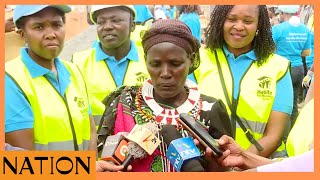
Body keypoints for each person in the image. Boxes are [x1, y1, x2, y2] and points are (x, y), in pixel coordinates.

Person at [97, 19, 234, 172]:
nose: (165, 74)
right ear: (146, 61)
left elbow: (225, 167)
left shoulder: (211, 109)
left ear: (192, 59)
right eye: (155, 64)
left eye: (175, 64)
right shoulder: (123, 102)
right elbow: (100, 161)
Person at [195, 5, 293, 158]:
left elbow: (274, 135)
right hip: (208, 162)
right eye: (231, 19)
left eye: (247, 21)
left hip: (257, 164)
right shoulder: (198, 60)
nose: (239, 26)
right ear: (220, 21)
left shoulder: (279, 67)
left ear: (258, 25)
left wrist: (240, 164)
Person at [5, 5, 96, 151]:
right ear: (22, 34)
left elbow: (90, 131)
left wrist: (92, 169)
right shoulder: (10, 78)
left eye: (57, 25)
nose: (51, 34)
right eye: (39, 27)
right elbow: (24, 162)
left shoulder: (73, 71)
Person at [72, 5, 149, 130]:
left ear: (132, 25)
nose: (107, 27)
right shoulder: (78, 63)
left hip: (144, 145)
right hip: (97, 146)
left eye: (115, 20)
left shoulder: (150, 59)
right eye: (101, 22)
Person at [272, 5, 311, 127]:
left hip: (281, 69)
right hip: (298, 69)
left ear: (283, 13)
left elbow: (269, 49)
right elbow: (306, 53)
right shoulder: (305, 29)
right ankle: (292, 132)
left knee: (279, 104)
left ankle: (279, 133)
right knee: (293, 104)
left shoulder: (277, 29)